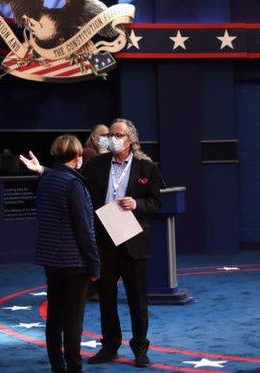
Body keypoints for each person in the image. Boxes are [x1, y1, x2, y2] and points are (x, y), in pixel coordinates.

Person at [22, 118, 160, 367]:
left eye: (118, 135)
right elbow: (68, 177)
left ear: (130, 139)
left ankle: (140, 348)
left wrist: (137, 204)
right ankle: (110, 346)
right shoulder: (96, 164)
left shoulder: (146, 167)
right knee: (106, 297)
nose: (112, 139)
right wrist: (43, 170)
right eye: (111, 135)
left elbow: (156, 202)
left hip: (132, 240)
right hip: (103, 240)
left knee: (137, 299)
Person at [35, 134, 100, 373]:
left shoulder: (47, 180)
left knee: (55, 318)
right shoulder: (74, 184)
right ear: (77, 156)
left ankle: (57, 367)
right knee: (73, 321)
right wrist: (94, 264)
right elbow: (84, 228)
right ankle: (74, 367)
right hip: (74, 262)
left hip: (52, 261)